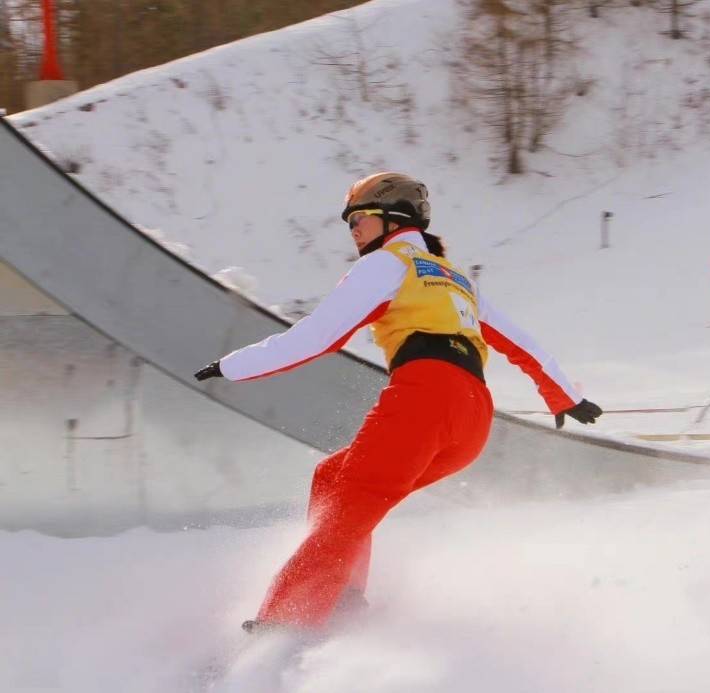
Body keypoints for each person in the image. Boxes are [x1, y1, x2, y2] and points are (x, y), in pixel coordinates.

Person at [194, 172, 602, 631]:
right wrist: (564, 396)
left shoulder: (386, 264)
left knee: (349, 509)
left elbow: (316, 337)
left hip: (424, 397)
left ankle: (282, 626)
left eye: (359, 219)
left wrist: (233, 366)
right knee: (334, 478)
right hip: (473, 416)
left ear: (391, 219)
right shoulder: (455, 278)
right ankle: (343, 597)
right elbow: (522, 344)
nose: (352, 230)